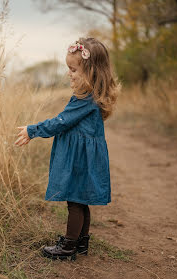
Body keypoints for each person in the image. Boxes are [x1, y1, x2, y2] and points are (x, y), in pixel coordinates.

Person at [14, 37, 120, 261]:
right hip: (85, 157)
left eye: (73, 69)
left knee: (74, 200)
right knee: (81, 200)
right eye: (69, 69)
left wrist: (34, 130)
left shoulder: (84, 99)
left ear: (91, 72)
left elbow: (61, 121)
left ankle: (68, 246)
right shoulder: (92, 97)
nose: (69, 74)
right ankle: (81, 242)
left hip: (80, 159)